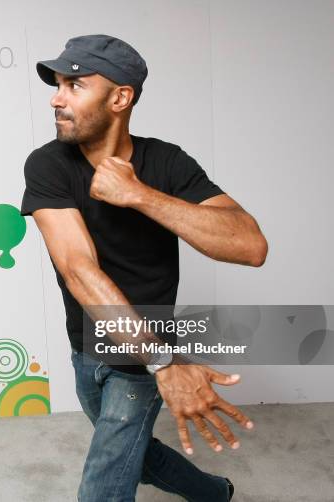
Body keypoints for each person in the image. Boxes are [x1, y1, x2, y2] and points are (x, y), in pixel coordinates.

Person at [20, 34, 268, 502]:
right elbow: (78, 268)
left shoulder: (167, 162)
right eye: (57, 84)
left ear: (119, 97)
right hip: (87, 348)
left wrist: (141, 195)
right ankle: (213, 492)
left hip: (144, 357)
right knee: (136, 454)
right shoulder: (48, 165)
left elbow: (250, 245)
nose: (56, 97)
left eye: (74, 85)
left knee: (102, 487)